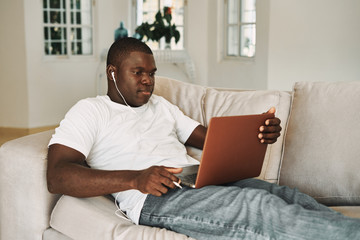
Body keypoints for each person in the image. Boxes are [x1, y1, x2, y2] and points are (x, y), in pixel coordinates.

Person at [47, 37, 360, 240]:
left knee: (287, 195)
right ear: (113, 72)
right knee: (258, 206)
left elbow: (211, 141)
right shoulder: (89, 111)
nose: (148, 80)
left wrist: (257, 135)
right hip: (157, 197)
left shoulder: (162, 107)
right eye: (138, 72)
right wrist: (136, 179)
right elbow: (58, 176)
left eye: (152, 72)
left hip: (200, 179)